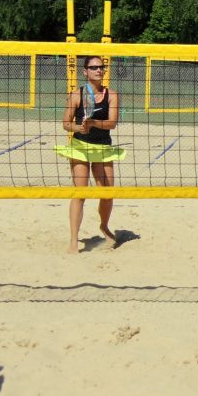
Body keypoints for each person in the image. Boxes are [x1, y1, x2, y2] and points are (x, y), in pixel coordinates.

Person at [54, 55, 125, 254]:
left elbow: (112, 123)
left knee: (107, 193)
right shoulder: (77, 95)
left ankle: (104, 226)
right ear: (85, 71)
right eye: (93, 67)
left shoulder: (111, 95)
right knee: (80, 193)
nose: (98, 70)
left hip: (102, 148)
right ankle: (74, 240)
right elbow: (65, 123)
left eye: (101, 67)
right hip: (80, 146)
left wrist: (93, 123)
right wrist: (79, 127)